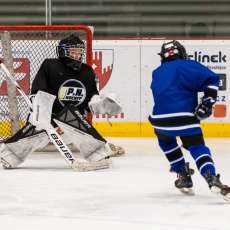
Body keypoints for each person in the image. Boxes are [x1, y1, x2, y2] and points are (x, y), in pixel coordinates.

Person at [0, 34, 124, 171]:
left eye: (79, 52)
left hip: (72, 123)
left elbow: (91, 99)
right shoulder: (50, 65)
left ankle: (99, 153)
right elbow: (39, 90)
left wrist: (101, 104)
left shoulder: (87, 71)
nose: (77, 55)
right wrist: (42, 113)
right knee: (30, 134)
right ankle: (9, 155)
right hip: (46, 118)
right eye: (73, 52)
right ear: (62, 51)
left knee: (70, 112)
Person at [149, 40, 230, 201]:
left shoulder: (157, 72)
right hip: (185, 119)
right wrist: (207, 102)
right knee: (197, 147)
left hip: (160, 120)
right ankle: (211, 177)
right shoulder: (187, 65)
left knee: (166, 141)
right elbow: (213, 79)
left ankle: (183, 174)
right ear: (181, 53)